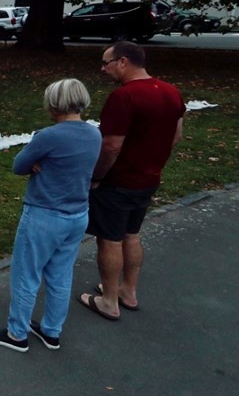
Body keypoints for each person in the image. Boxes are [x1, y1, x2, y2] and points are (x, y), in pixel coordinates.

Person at [0, 79, 102, 352]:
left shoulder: (48, 136)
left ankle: (16, 334)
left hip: (44, 216)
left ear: (54, 104)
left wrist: (39, 161)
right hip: (78, 214)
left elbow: (18, 165)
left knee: (27, 274)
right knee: (61, 275)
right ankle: (51, 331)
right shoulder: (95, 134)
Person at [77, 41, 185, 320]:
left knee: (109, 239)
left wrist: (97, 177)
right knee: (132, 234)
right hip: (148, 179)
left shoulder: (123, 97)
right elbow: (176, 135)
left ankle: (109, 300)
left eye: (106, 62)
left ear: (123, 62)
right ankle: (128, 290)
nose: (103, 69)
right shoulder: (171, 92)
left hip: (118, 181)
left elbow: (111, 146)